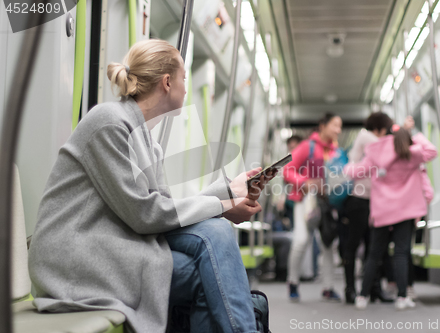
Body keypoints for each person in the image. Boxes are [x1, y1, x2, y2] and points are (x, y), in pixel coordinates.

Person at [28, 39, 274, 333]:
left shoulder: (147, 141)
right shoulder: (109, 123)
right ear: (167, 82)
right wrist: (223, 207)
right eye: (184, 78)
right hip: (75, 262)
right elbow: (146, 216)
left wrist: (228, 191)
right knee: (207, 274)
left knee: (216, 232)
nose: (186, 86)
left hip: (114, 247)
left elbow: (163, 212)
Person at [344, 116, 437, 310]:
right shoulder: (413, 155)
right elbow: (432, 150)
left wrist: (347, 165)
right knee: (402, 252)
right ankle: (402, 297)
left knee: (374, 253)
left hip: (382, 211)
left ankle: (362, 296)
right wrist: (415, 135)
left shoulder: (377, 156)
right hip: (405, 211)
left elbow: (355, 172)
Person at [283, 113, 343, 302]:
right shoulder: (307, 146)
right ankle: (292, 281)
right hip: (306, 200)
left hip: (326, 202)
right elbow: (287, 170)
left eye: (340, 126)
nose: (338, 130)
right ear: (322, 126)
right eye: (334, 125)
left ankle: (328, 288)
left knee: (328, 244)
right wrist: (305, 182)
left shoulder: (336, 151)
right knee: (301, 241)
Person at [342, 111, 393, 304]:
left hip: (372, 199)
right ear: (379, 128)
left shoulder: (371, 139)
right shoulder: (367, 137)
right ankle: (353, 289)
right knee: (356, 244)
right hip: (360, 198)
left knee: (372, 245)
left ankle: (372, 288)